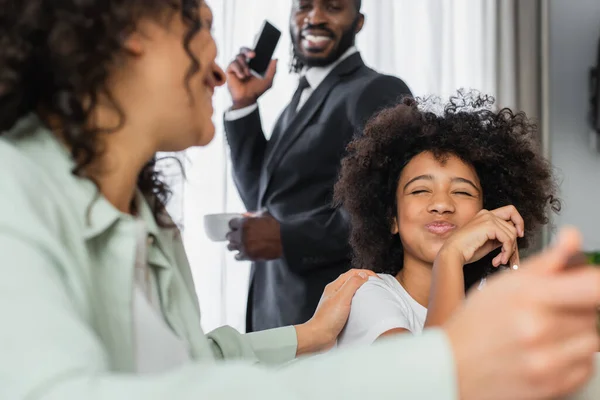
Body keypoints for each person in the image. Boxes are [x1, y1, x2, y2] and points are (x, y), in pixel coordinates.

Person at [1, 1, 599, 400]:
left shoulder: (149, 221)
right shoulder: (18, 193)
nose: (214, 65)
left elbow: (187, 367)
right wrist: (243, 109)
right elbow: (262, 189)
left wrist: (307, 329)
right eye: (200, 25)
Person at [224, 0, 412, 332]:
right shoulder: (298, 101)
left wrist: (288, 238)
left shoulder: (377, 90)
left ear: (359, 23)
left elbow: (384, 207)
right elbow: (261, 199)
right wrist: (244, 105)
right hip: (275, 313)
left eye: (333, 7)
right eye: (304, 7)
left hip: (329, 317)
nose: (315, 17)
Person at [332, 93, 562, 347]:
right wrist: (450, 256)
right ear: (392, 219)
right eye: (420, 190)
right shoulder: (368, 295)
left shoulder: (487, 300)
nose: (441, 205)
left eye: (462, 192)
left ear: (487, 214)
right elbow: (434, 378)